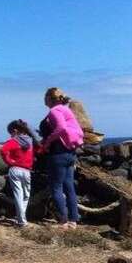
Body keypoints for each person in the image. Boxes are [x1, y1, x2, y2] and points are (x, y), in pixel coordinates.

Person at [39, 87, 84, 228]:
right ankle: (73, 220)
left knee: (56, 187)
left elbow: (61, 128)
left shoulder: (55, 111)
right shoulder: (66, 110)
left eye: (45, 97)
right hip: (70, 152)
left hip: (58, 153)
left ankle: (63, 221)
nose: (44, 99)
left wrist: (48, 142)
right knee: (69, 187)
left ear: (50, 98)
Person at [0, 120, 36, 227]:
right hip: (27, 171)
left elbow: (3, 150)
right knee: (26, 196)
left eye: (11, 133)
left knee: (18, 195)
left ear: (15, 131)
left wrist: (9, 161)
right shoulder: (30, 141)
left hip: (15, 169)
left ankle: (21, 220)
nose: (10, 135)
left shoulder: (14, 141)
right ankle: (21, 219)